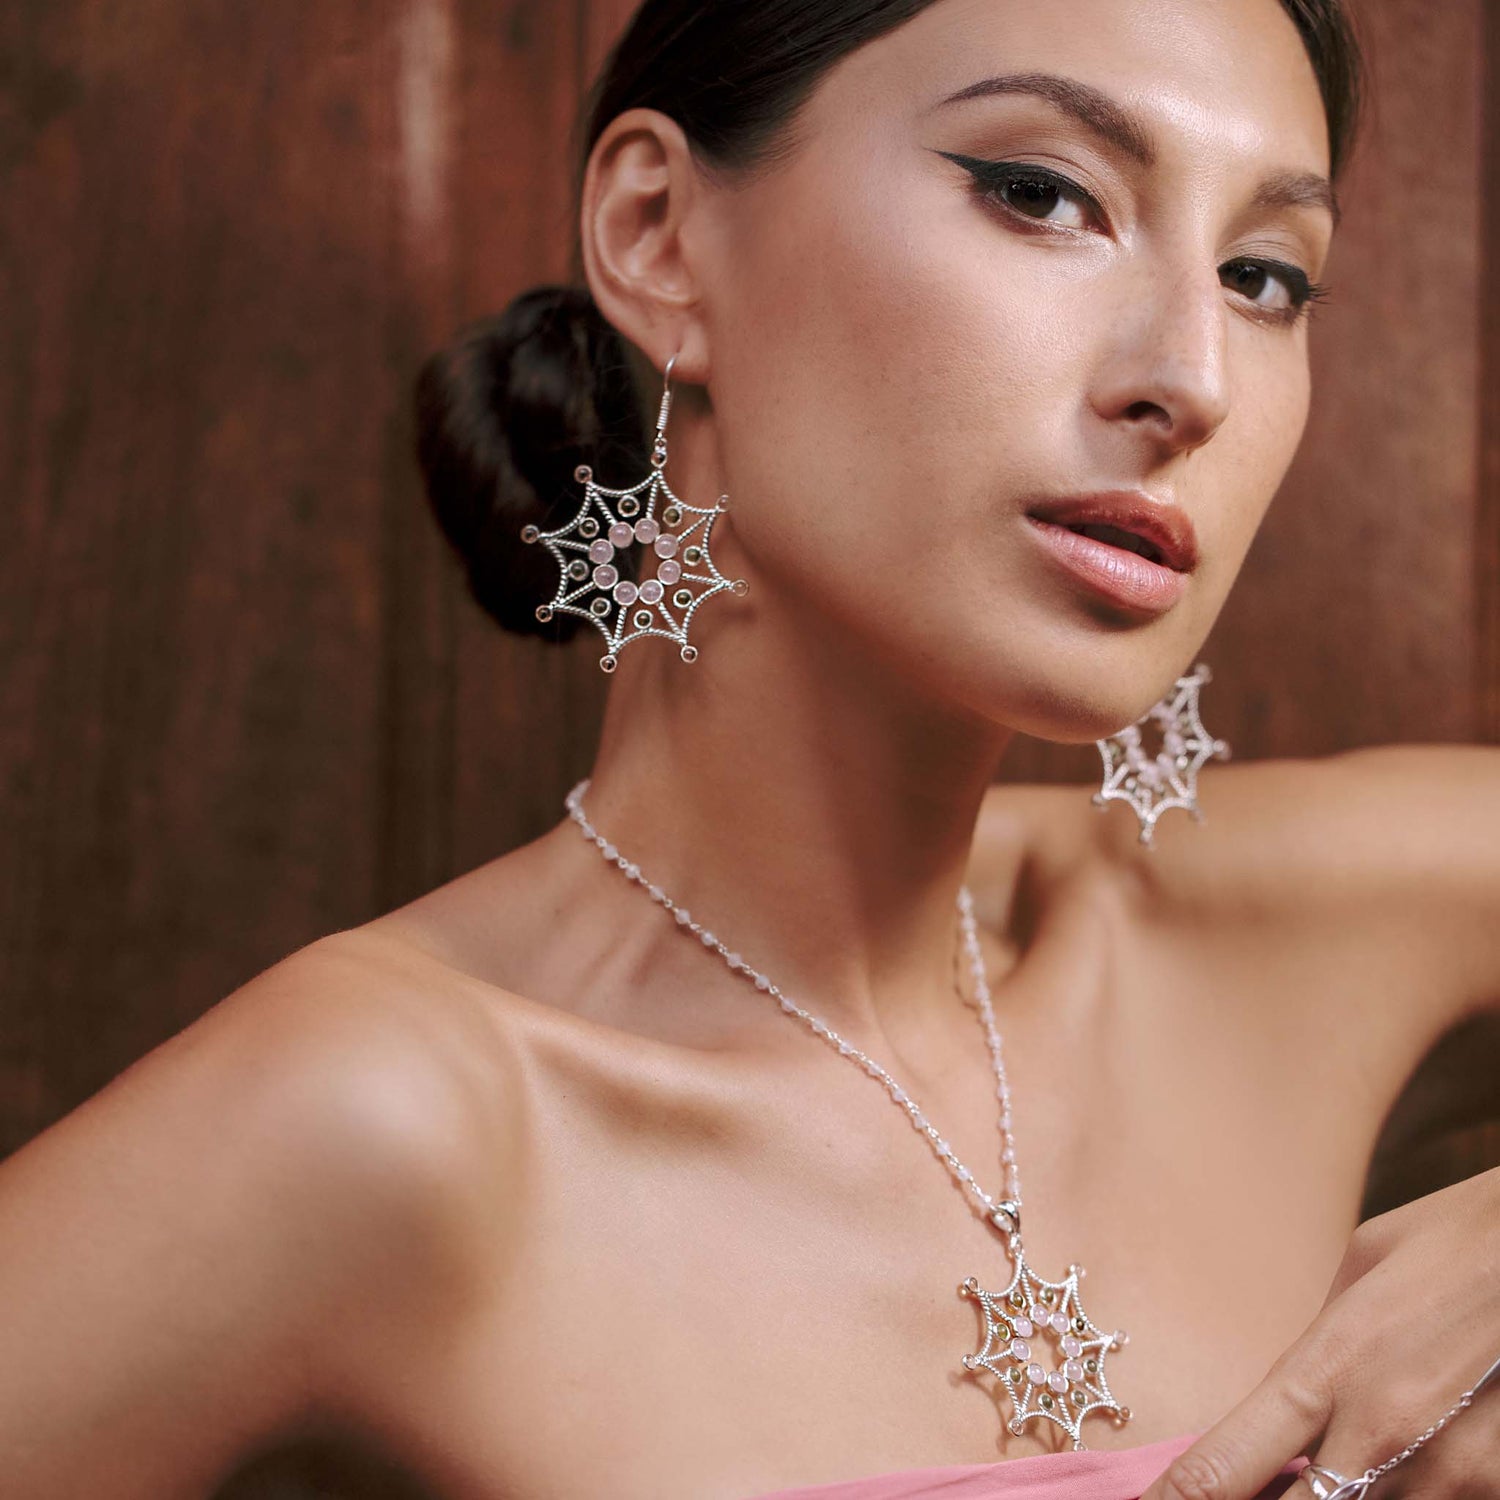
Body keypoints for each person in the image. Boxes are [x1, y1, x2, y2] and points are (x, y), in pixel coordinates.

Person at [3, 1, 1497, 1497]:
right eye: (1043, 194)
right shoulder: (386, 1121)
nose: (1195, 379)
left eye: (1263, 277)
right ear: (657, 234)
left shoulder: (1287, 931)